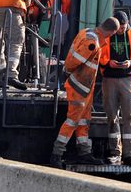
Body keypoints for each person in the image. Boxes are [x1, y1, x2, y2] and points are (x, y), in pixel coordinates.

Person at [50, 17, 120, 168]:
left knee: (83, 121)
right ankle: (57, 154)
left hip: (84, 88)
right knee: (73, 121)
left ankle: (84, 152)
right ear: (111, 32)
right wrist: (68, 72)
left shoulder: (87, 33)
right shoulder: (92, 43)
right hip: (79, 87)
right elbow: (72, 62)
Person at [99, 11, 131, 166]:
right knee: (112, 117)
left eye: (123, 27)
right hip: (109, 79)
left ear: (127, 24)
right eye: (119, 27)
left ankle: (129, 154)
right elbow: (97, 55)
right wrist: (107, 63)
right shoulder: (106, 34)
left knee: (129, 116)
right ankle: (115, 153)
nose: (120, 30)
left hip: (127, 79)